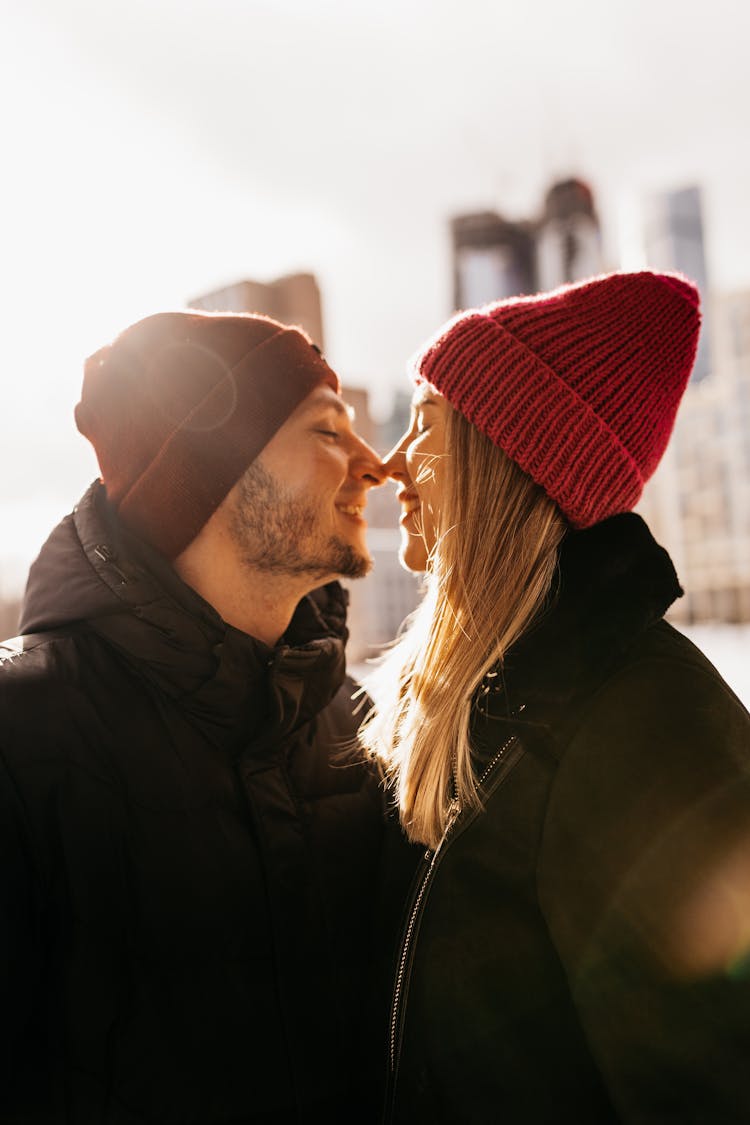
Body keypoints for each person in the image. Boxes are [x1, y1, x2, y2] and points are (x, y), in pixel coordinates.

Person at [361, 272, 750, 1123]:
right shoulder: (503, 696)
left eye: (423, 425)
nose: (390, 464)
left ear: (502, 454)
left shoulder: (650, 725)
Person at [0, 310, 388, 1123]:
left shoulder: (357, 725)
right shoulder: (22, 731)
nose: (373, 465)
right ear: (216, 469)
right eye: (327, 432)